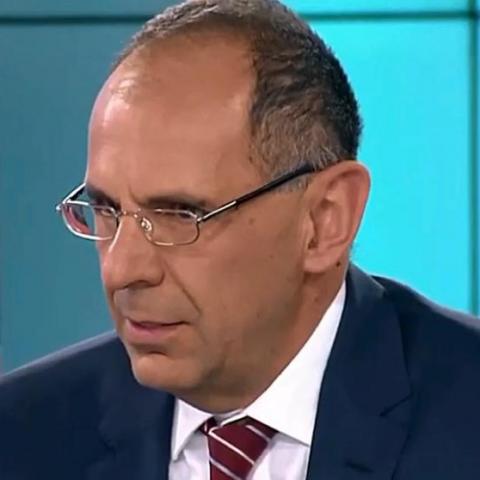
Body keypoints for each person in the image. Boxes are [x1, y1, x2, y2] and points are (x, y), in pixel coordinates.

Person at [1, 0, 479, 478]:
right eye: (106, 210)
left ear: (325, 220)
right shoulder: (22, 434)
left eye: (179, 214)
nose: (122, 270)